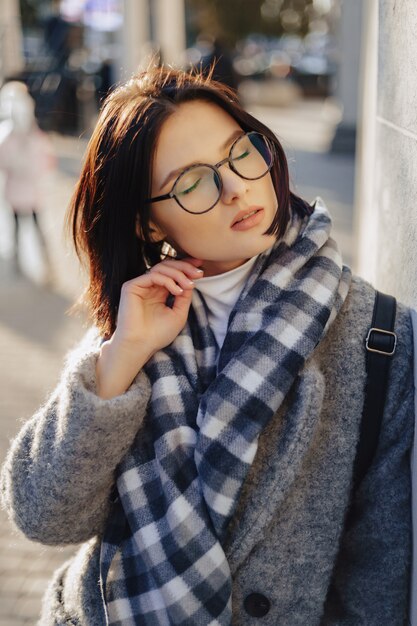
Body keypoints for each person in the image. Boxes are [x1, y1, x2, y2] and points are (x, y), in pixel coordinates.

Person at [0, 67, 413, 625]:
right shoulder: (140, 319)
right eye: (193, 183)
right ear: (148, 225)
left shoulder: (379, 339)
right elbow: (42, 516)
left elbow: (378, 580)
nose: (237, 188)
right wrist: (121, 355)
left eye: (241, 152)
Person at [0, 81, 55, 280]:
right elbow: (47, 162)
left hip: (22, 190)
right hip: (24, 190)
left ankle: (28, 261)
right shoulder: (31, 137)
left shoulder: (24, 137)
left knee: (28, 225)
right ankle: (35, 261)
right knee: (30, 224)